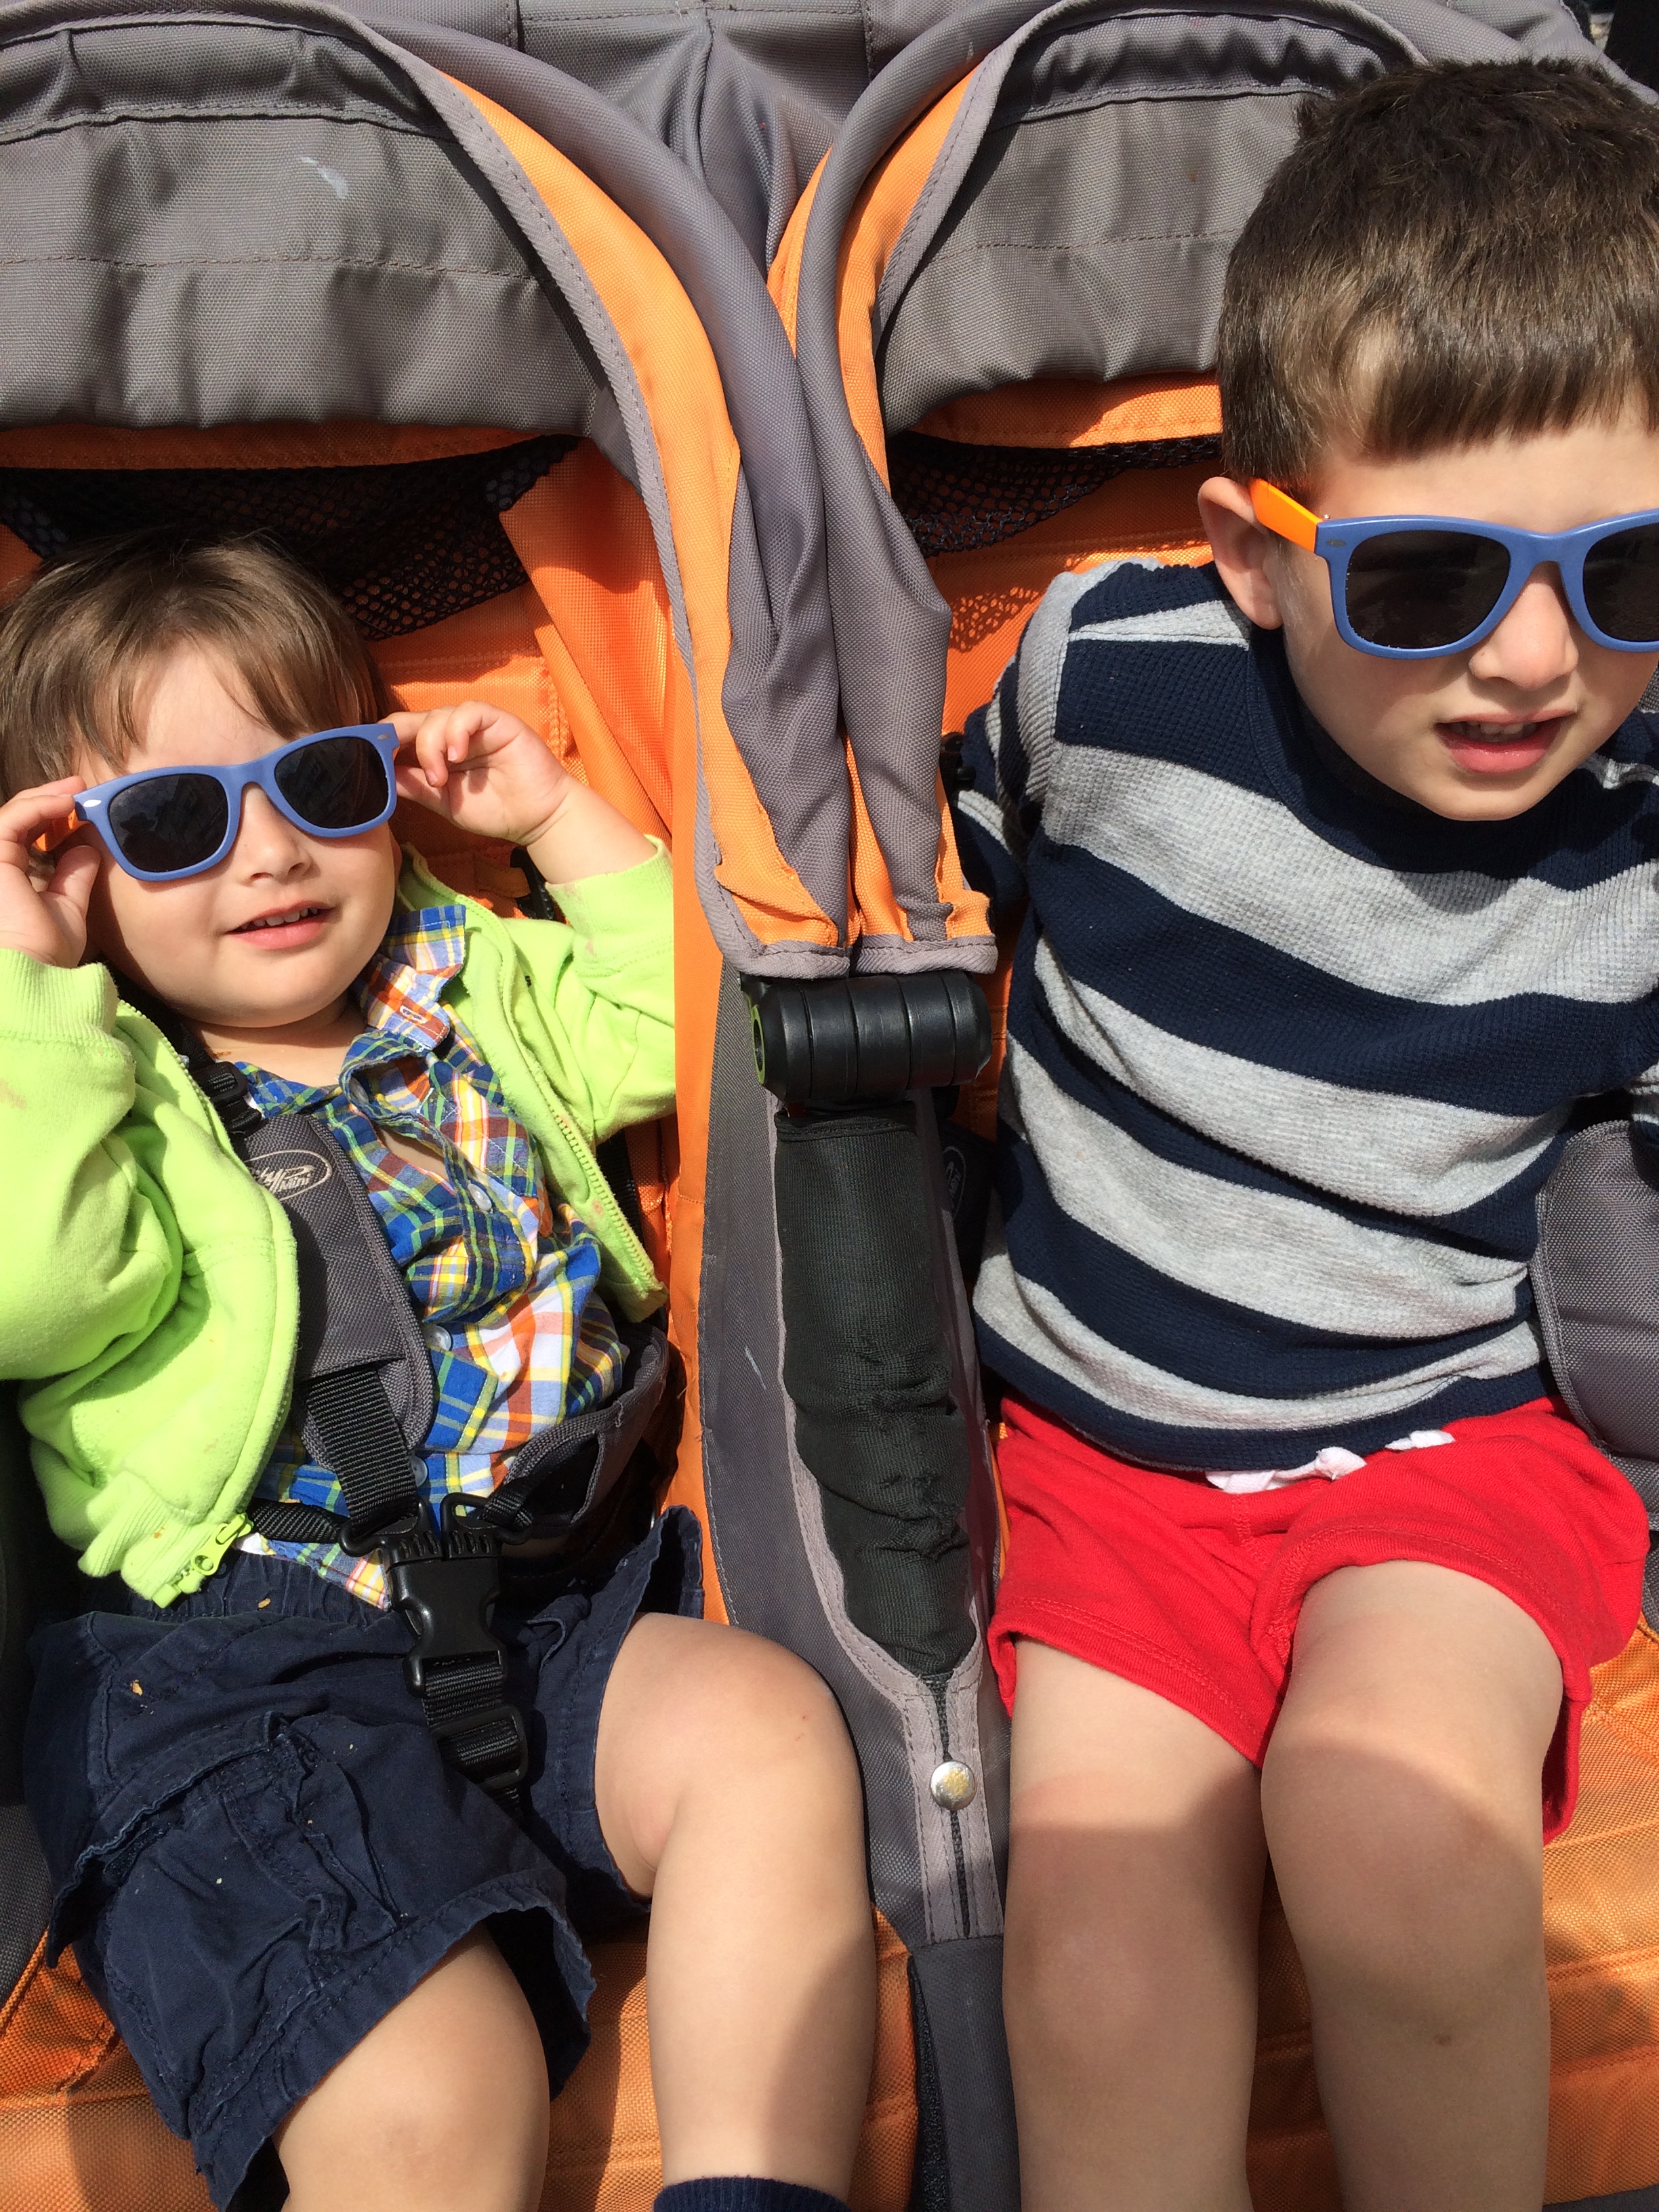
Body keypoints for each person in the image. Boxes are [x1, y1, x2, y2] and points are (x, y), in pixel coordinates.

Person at [947, 59, 1659, 2212]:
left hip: (1450, 1434)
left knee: (1395, 1838)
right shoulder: (1102, 682)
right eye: (1430, 577)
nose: (1533, 659)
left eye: (1627, 572)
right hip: (1104, 1453)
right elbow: (901, 897)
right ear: (1255, 556)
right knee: (1097, 1966)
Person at [0, 533, 876, 2212]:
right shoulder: (99, 1090)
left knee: (769, 1737)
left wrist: (555, 820)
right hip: (242, 1669)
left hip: (544, 1607)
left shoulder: (470, 981)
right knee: (432, 2087)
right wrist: (32, 991)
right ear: (67, 861)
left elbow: (696, 1025)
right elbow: (29, 1293)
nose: (269, 852)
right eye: (176, 821)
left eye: (318, 784)